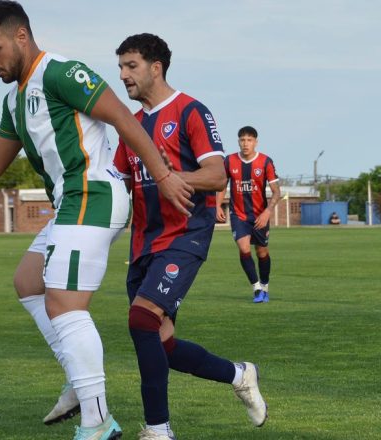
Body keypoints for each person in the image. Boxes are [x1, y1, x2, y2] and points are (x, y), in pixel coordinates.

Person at [0, 3, 193, 439]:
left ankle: (97, 420)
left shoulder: (62, 74)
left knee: (65, 306)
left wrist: (162, 175)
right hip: (70, 203)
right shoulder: (14, 100)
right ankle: (79, 373)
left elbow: (123, 118)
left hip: (93, 195)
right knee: (28, 282)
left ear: (21, 37)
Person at [113, 33, 267, 439]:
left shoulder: (189, 111)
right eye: (121, 68)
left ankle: (157, 430)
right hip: (144, 243)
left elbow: (217, 175)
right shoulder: (131, 125)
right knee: (160, 342)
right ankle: (239, 374)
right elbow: (118, 180)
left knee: (142, 318)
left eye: (131, 66)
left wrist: (171, 177)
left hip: (185, 236)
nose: (124, 76)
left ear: (156, 67)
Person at [217, 126, 282, 303]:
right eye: (242, 140)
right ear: (238, 141)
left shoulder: (265, 162)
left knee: (262, 252)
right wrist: (217, 205)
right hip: (239, 215)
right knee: (244, 248)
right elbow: (222, 185)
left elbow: (277, 192)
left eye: (249, 140)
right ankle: (256, 289)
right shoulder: (229, 161)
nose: (246, 144)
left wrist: (267, 212)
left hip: (260, 215)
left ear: (256, 141)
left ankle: (265, 286)